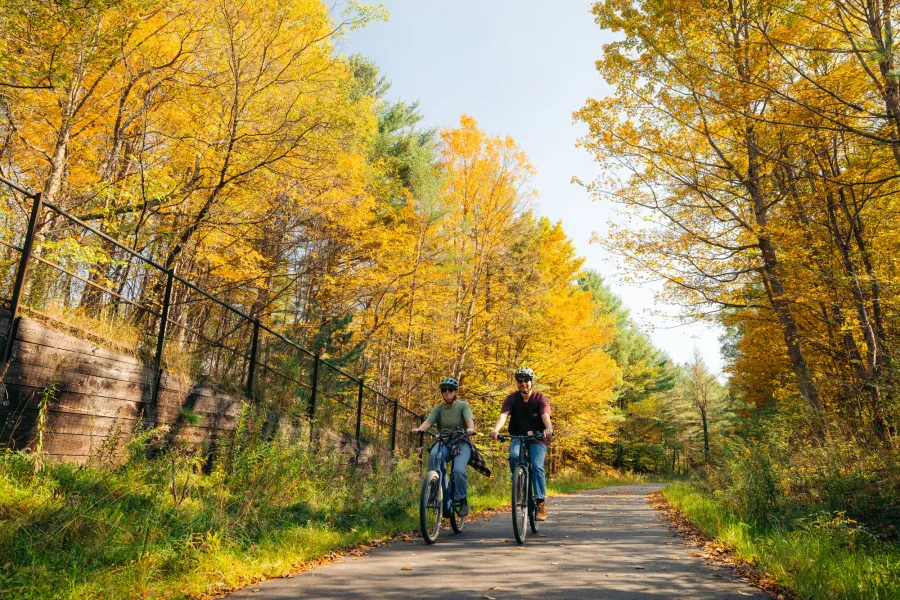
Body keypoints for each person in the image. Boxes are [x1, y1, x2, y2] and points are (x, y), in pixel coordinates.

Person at [411, 376, 488, 518]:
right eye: (444, 390)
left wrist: (470, 428)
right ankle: (435, 487)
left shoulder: (462, 405)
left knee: (458, 470)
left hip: (461, 441)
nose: (447, 392)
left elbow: (469, 421)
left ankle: (462, 499)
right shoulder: (439, 408)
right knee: (434, 456)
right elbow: (428, 421)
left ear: (455, 391)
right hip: (444, 441)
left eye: (450, 390)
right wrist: (420, 429)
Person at [489, 366, 553, 521]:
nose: (523, 383)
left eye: (526, 380)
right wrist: (495, 430)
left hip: (538, 437)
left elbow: (545, 415)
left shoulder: (540, 398)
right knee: (514, 456)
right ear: (517, 383)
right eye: (520, 381)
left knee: (537, 466)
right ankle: (518, 484)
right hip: (518, 435)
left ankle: (540, 502)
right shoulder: (512, 398)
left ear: (532, 382)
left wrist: (549, 428)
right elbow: (503, 416)